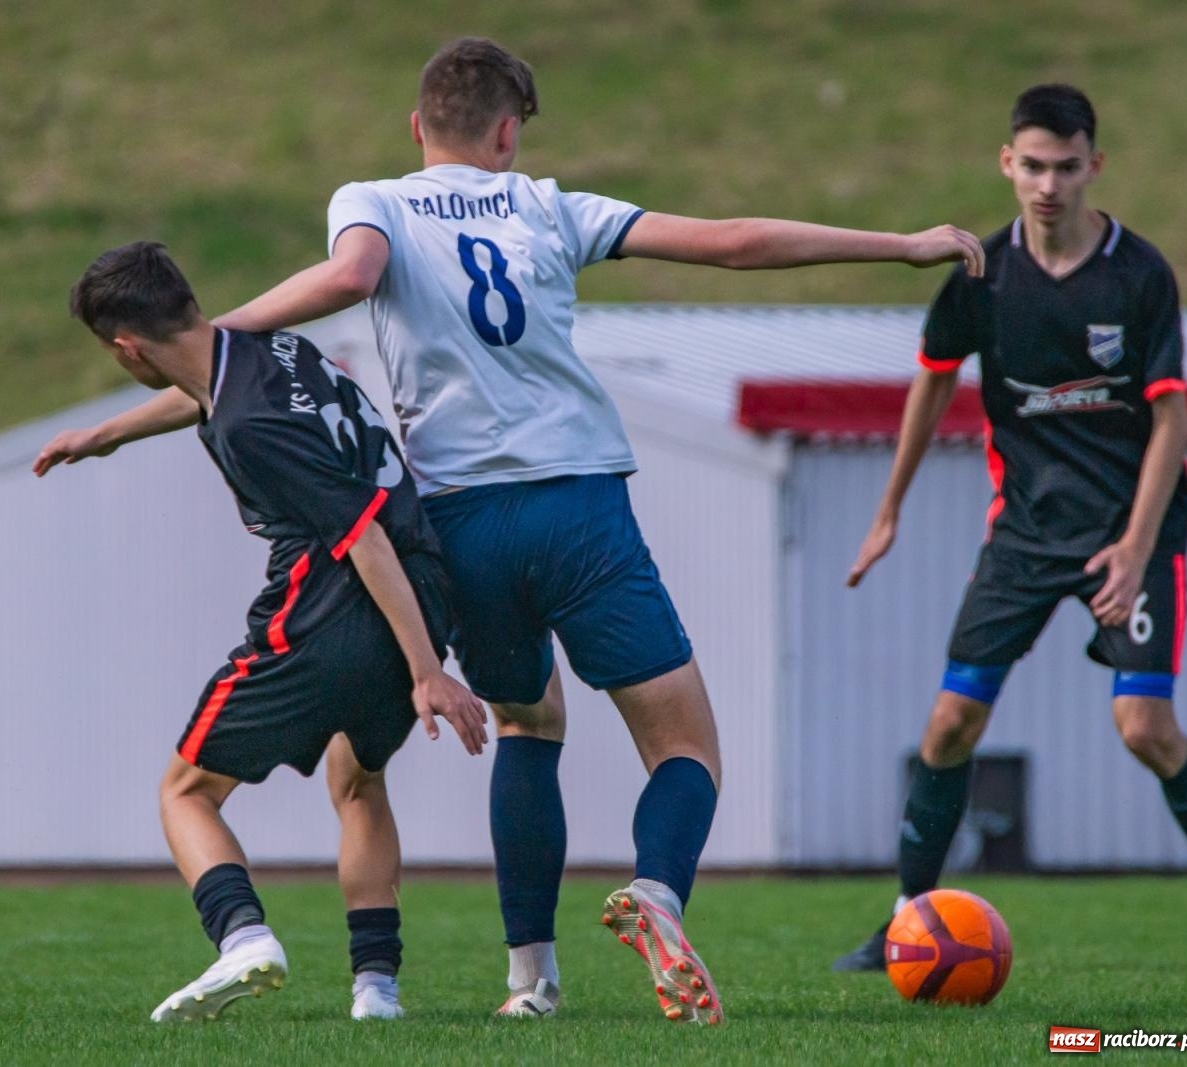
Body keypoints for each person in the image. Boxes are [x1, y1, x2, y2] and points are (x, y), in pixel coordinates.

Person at [49, 38, 983, 1023]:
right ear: (507, 130)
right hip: (579, 503)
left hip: (459, 524)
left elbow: (334, 287)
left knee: (530, 723)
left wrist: (135, 411)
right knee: (684, 748)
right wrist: (903, 245)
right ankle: (658, 890)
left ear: (417, 127)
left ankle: (529, 979)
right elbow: (735, 239)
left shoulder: (374, 201)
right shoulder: (550, 206)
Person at [37, 241, 489, 1021]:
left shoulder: (248, 425)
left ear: (124, 347)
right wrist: (109, 432)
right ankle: (376, 988)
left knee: (186, 791)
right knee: (358, 779)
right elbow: (201, 393)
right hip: (426, 583)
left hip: (334, 604)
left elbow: (361, 536)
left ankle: (242, 936)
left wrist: (427, 673)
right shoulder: (272, 347)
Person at [833, 84, 1187, 972]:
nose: (1048, 185)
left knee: (1145, 727)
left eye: (1066, 167)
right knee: (950, 723)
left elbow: (1171, 423)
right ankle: (905, 919)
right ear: (1007, 164)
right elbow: (932, 379)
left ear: (1094, 167)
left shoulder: (1139, 273)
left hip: (1135, 528)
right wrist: (888, 510)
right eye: (1032, 166)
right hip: (1026, 534)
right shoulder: (982, 275)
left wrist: (1134, 543)